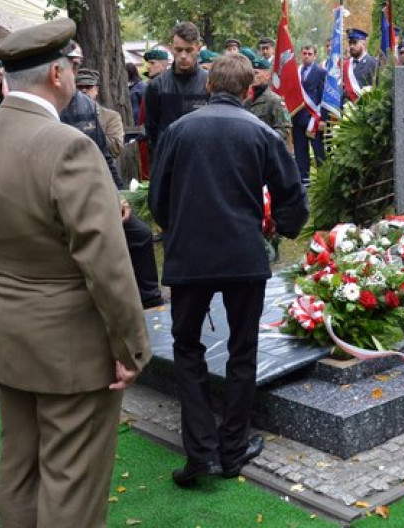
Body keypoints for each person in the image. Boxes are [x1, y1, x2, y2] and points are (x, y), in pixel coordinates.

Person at [0, 18, 150, 527]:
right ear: (59, 75)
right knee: (71, 483)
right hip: (70, 344)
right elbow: (105, 261)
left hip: (6, 331)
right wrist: (129, 347)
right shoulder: (68, 147)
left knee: (19, 471)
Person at [149, 53, 307, 486]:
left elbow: (157, 199)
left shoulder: (178, 131)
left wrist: (176, 227)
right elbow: (293, 196)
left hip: (190, 257)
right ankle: (232, 448)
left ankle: (202, 451)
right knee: (242, 350)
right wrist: (280, 229)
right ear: (247, 90)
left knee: (188, 349)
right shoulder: (259, 131)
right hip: (242, 256)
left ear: (208, 85)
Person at [64, 62, 163, 309]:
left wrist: (119, 194)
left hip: (105, 185)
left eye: (89, 87)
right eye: (80, 87)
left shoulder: (108, 116)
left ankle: (150, 296)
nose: (85, 92)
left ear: (97, 90)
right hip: (77, 192)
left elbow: (112, 149)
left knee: (139, 234)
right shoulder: (64, 113)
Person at [143, 21, 210, 154]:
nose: (183, 56)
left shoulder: (210, 83)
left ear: (198, 48)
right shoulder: (157, 85)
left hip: (202, 157)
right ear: (171, 48)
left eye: (189, 50)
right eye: (179, 50)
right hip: (168, 159)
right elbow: (151, 129)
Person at [293, 44, 326, 185]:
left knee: (318, 151)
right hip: (298, 118)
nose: (306, 56)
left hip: (314, 119)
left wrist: (323, 118)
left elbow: (324, 97)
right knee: (300, 152)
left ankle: (323, 180)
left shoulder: (321, 72)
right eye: (304, 53)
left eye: (309, 53)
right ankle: (304, 181)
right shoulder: (296, 72)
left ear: (314, 56)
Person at [245, 57, 291, 143]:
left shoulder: (275, 101)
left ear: (267, 75)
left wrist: (266, 142)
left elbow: (284, 129)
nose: (253, 77)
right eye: (251, 74)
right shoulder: (247, 101)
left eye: (256, 73)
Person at [344, 28, 378, 93]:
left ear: (363, 44)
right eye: (350, 43)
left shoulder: (372, 63)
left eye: (354, 42)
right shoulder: (346, 64)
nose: (351, 46)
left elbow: (376, 88)